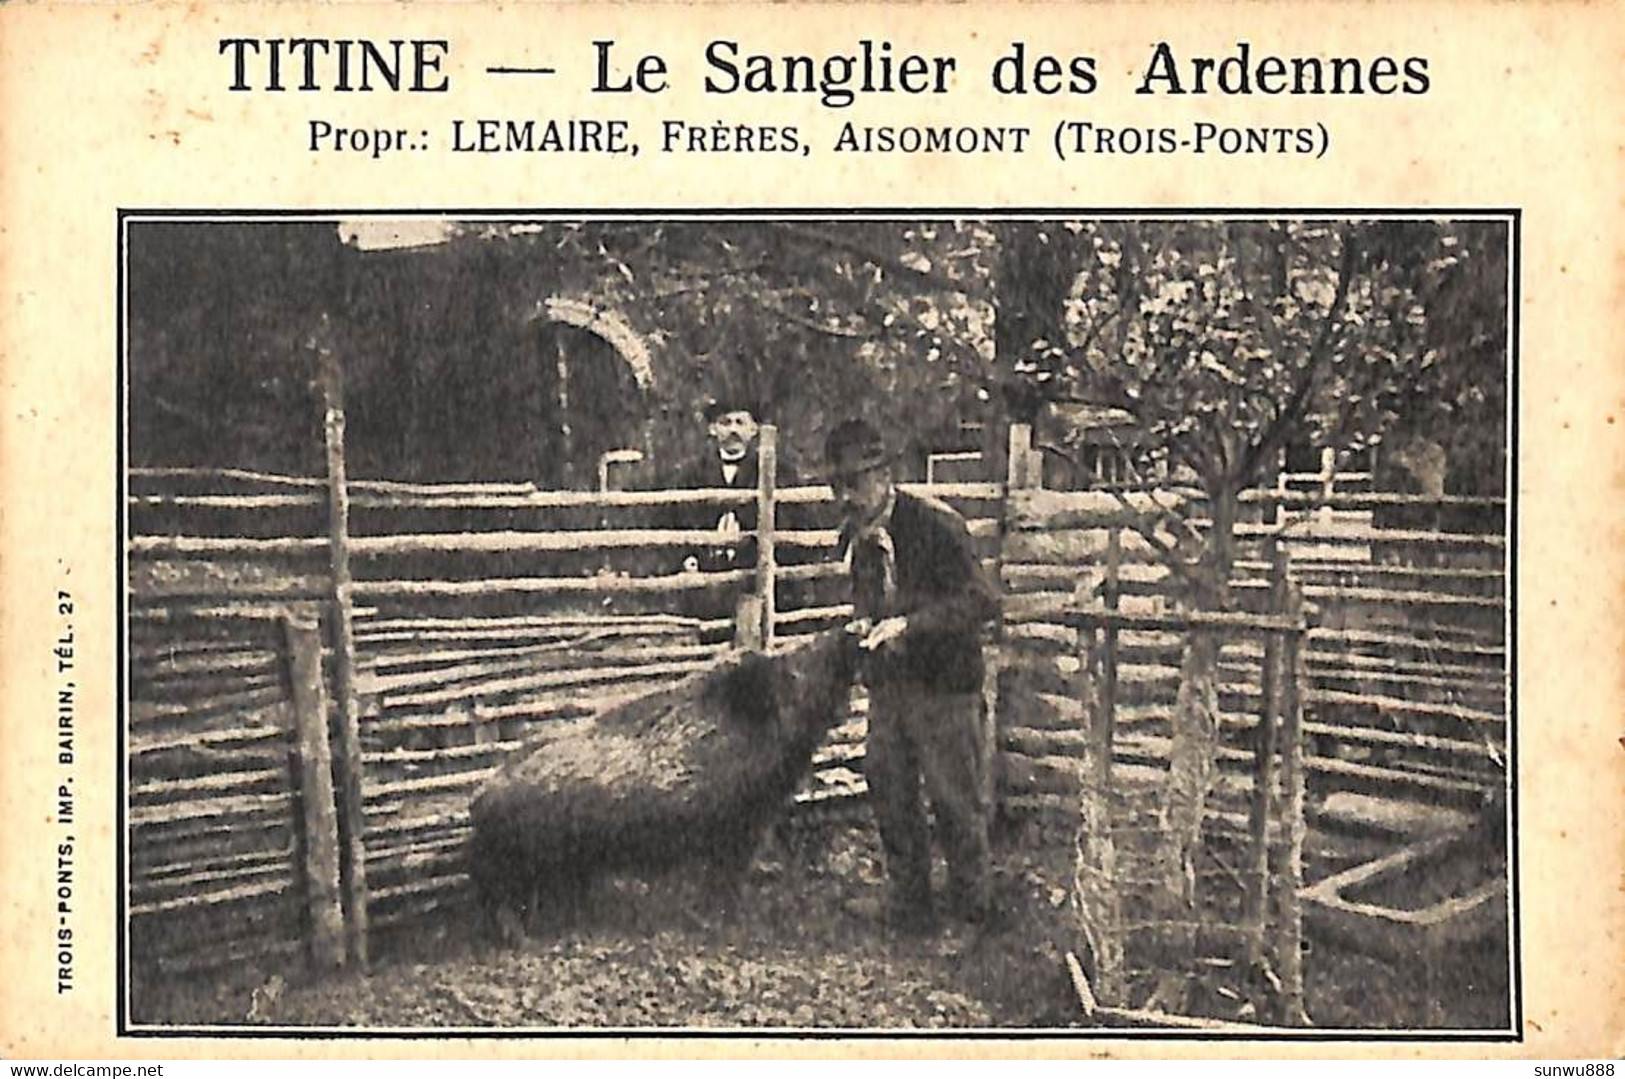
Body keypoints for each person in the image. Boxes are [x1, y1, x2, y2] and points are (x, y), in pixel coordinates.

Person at [825, 417, 1000, 933]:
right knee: (890, 790)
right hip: (891, 689)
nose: (845, 497)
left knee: (954, 801)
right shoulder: (855, 537)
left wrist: (910, 625)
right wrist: (864, 626)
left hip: (945, 687)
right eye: (837, 485)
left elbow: (981, 601)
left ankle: (972, 914)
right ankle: (910, 905)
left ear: (884, 475)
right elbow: (869, 599)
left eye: (853, 483)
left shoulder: (936, 526)